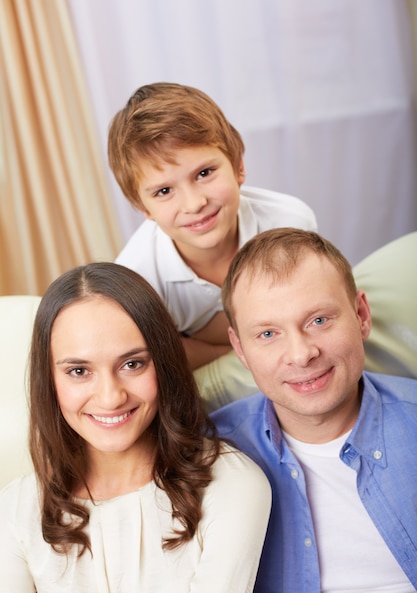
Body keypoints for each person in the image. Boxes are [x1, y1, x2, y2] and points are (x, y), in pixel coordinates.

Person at [0, 262, 271, 593]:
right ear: (49, 380)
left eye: (132, 364)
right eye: (79, 371)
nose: (111, 397)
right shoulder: (17, 510)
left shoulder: (232, 483)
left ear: (163, 362)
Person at [211, 228, 417, 593]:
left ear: (361, 315)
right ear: (240, 349)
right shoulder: (212, 455)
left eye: (319, 320)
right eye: (268, 334)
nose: (302, 354)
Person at [108, 82, 317, 409]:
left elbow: (311, 307)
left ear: (238, 167)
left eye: (204, 173)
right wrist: (232, 355)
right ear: (143, 208)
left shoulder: (288, 222)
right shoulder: (138, 276)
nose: (194, 203)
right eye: (164, 191)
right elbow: (156, 354)